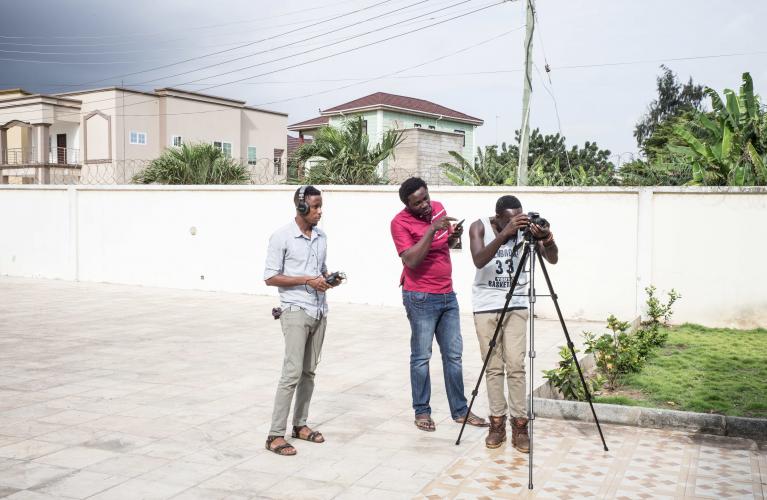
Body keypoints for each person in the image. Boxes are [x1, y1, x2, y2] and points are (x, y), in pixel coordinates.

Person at [390, 177, 488, 433]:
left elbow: (445, 247)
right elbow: (411, 260)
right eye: (418, 202)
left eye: (426, 198)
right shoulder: (399, 223)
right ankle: (422, 411)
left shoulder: (440, 208)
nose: (425, 205)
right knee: (422, 357)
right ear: (407, 205)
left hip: (447, 294)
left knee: (454, 355)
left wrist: (453, 237)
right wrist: (432, 229)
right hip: (420, 296)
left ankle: (460, 411)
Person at [468, 195, 558, 452]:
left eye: (519, 217)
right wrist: (504, 234)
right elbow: (478, 260)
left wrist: (546, 238)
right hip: (486, 305)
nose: (516, 224)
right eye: (510, 220)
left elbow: (552, 259)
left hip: (517, 303)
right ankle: (497, 424)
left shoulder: (525, 231)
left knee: (516, 365)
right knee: (493, 367)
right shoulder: (481, 226)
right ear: (497, 217)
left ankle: (520, 426)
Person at [263, 185, 340, 456]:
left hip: (319, 310)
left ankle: (300, 425)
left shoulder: (321, 237)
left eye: (321, 206)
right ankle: (274, 434)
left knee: (309, 372)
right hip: (295, 310)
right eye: (315, 206)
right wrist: (307, 280)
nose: (320, 212)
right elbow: (271, 277)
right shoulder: (281, 237)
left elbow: (319, 270)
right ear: (302, 207)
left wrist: (328, 280)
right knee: (292, 373)